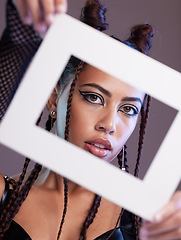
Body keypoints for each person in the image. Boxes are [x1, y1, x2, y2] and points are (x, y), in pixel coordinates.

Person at [0, 0, 181, 239]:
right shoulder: (4, 197)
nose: (109, 124)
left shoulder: (146, 223)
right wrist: (22, 26)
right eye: (94, 98)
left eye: (128, 109)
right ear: (54, 98)